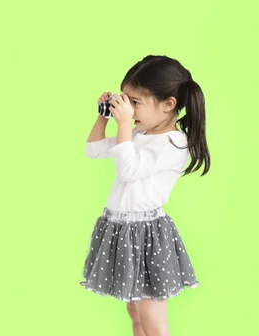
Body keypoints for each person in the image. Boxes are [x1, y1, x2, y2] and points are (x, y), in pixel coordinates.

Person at [80, 55, 210, 336]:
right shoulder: (139, 132)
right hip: (122, 230)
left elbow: (129, 169)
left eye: (134, 102)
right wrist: (104, 117)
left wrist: (125, 124)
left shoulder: (173, 142)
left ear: (168, 104)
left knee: (152, 319)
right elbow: (94, 150)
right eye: (123, 101)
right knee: (135, 313)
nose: (126, 109)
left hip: (146, 236)